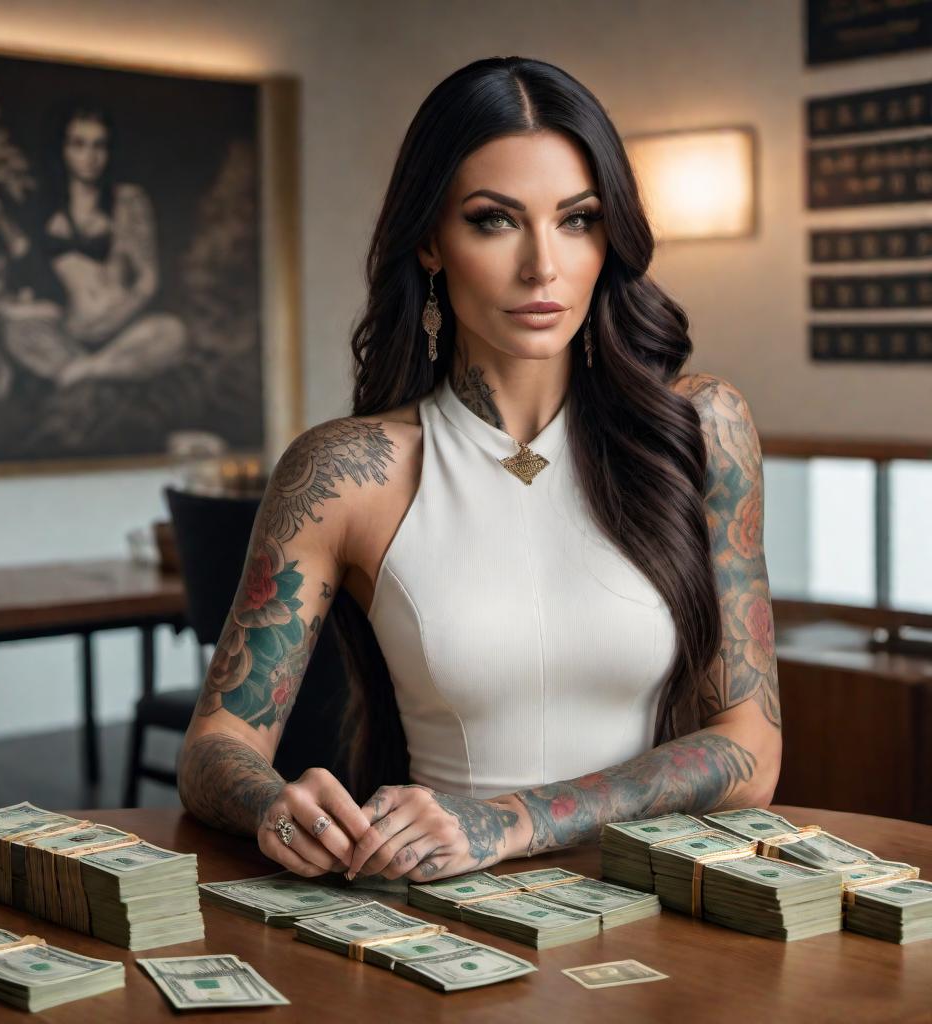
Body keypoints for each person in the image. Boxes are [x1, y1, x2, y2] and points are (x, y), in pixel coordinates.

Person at [177, 56, 781, 885]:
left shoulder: (702, 429)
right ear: (430, 240)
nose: (544, 265)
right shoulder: (344, 474)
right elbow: (218, 745)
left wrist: (512, 820)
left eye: (578, 219)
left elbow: (749, 746)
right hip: (436, 909)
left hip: (650, 905)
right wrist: (274, 802)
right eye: (495, 221)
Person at [0, 100, 187, 388]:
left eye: (99, 146)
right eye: (79, 144)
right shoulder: (47, 208)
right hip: (70, 329)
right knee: (16, 332)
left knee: (172, 333)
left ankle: (84, 371)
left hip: (122, 329)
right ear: (63, 149)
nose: (90, 157)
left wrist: (114, 319)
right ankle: (92, 367)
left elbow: (148, 281)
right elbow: (41, 290)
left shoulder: (128, 201)